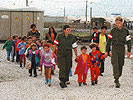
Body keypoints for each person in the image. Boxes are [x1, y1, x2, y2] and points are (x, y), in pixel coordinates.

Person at [105, 16, 131, 88]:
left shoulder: (126, 31)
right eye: (117, 23)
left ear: (122, 23)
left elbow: (129, 41)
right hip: (115, 48)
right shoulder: (113, 31)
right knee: (115, 63)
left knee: (121, 63)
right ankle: (116, 79)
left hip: (122, 48)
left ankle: (118, 75)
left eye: (119, 23)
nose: (118, 24)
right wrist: (107, 51)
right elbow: (109, 41)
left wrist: (129, 51)